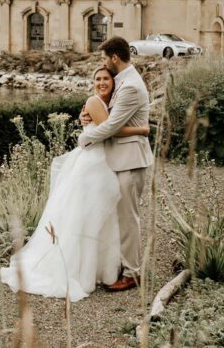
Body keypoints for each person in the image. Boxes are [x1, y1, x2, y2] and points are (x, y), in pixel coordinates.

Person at [0, 66, 149, 301]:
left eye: (106, 79)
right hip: (93, 164)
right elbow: (111, 129)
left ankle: (103, 268)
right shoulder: (95, 102)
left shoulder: (110, 104)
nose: (101, 82)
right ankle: (80, 270)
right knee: (85, 216)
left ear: (114, 83)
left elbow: (111, 123)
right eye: (97, 79)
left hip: (102, 163)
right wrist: (143, 129)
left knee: (101, 216)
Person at [77, 36, 154, 292]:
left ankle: (132, 273)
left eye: (104, 58)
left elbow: (111, 126)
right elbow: (106, 113)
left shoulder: (130, 86)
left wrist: (85, 138)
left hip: (130, 160)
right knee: (119, 217)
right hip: (120, 159)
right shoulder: (123, 81)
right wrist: (87, 115)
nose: (103, 63)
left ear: (114, 58)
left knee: (128, 219)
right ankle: (121, 264)